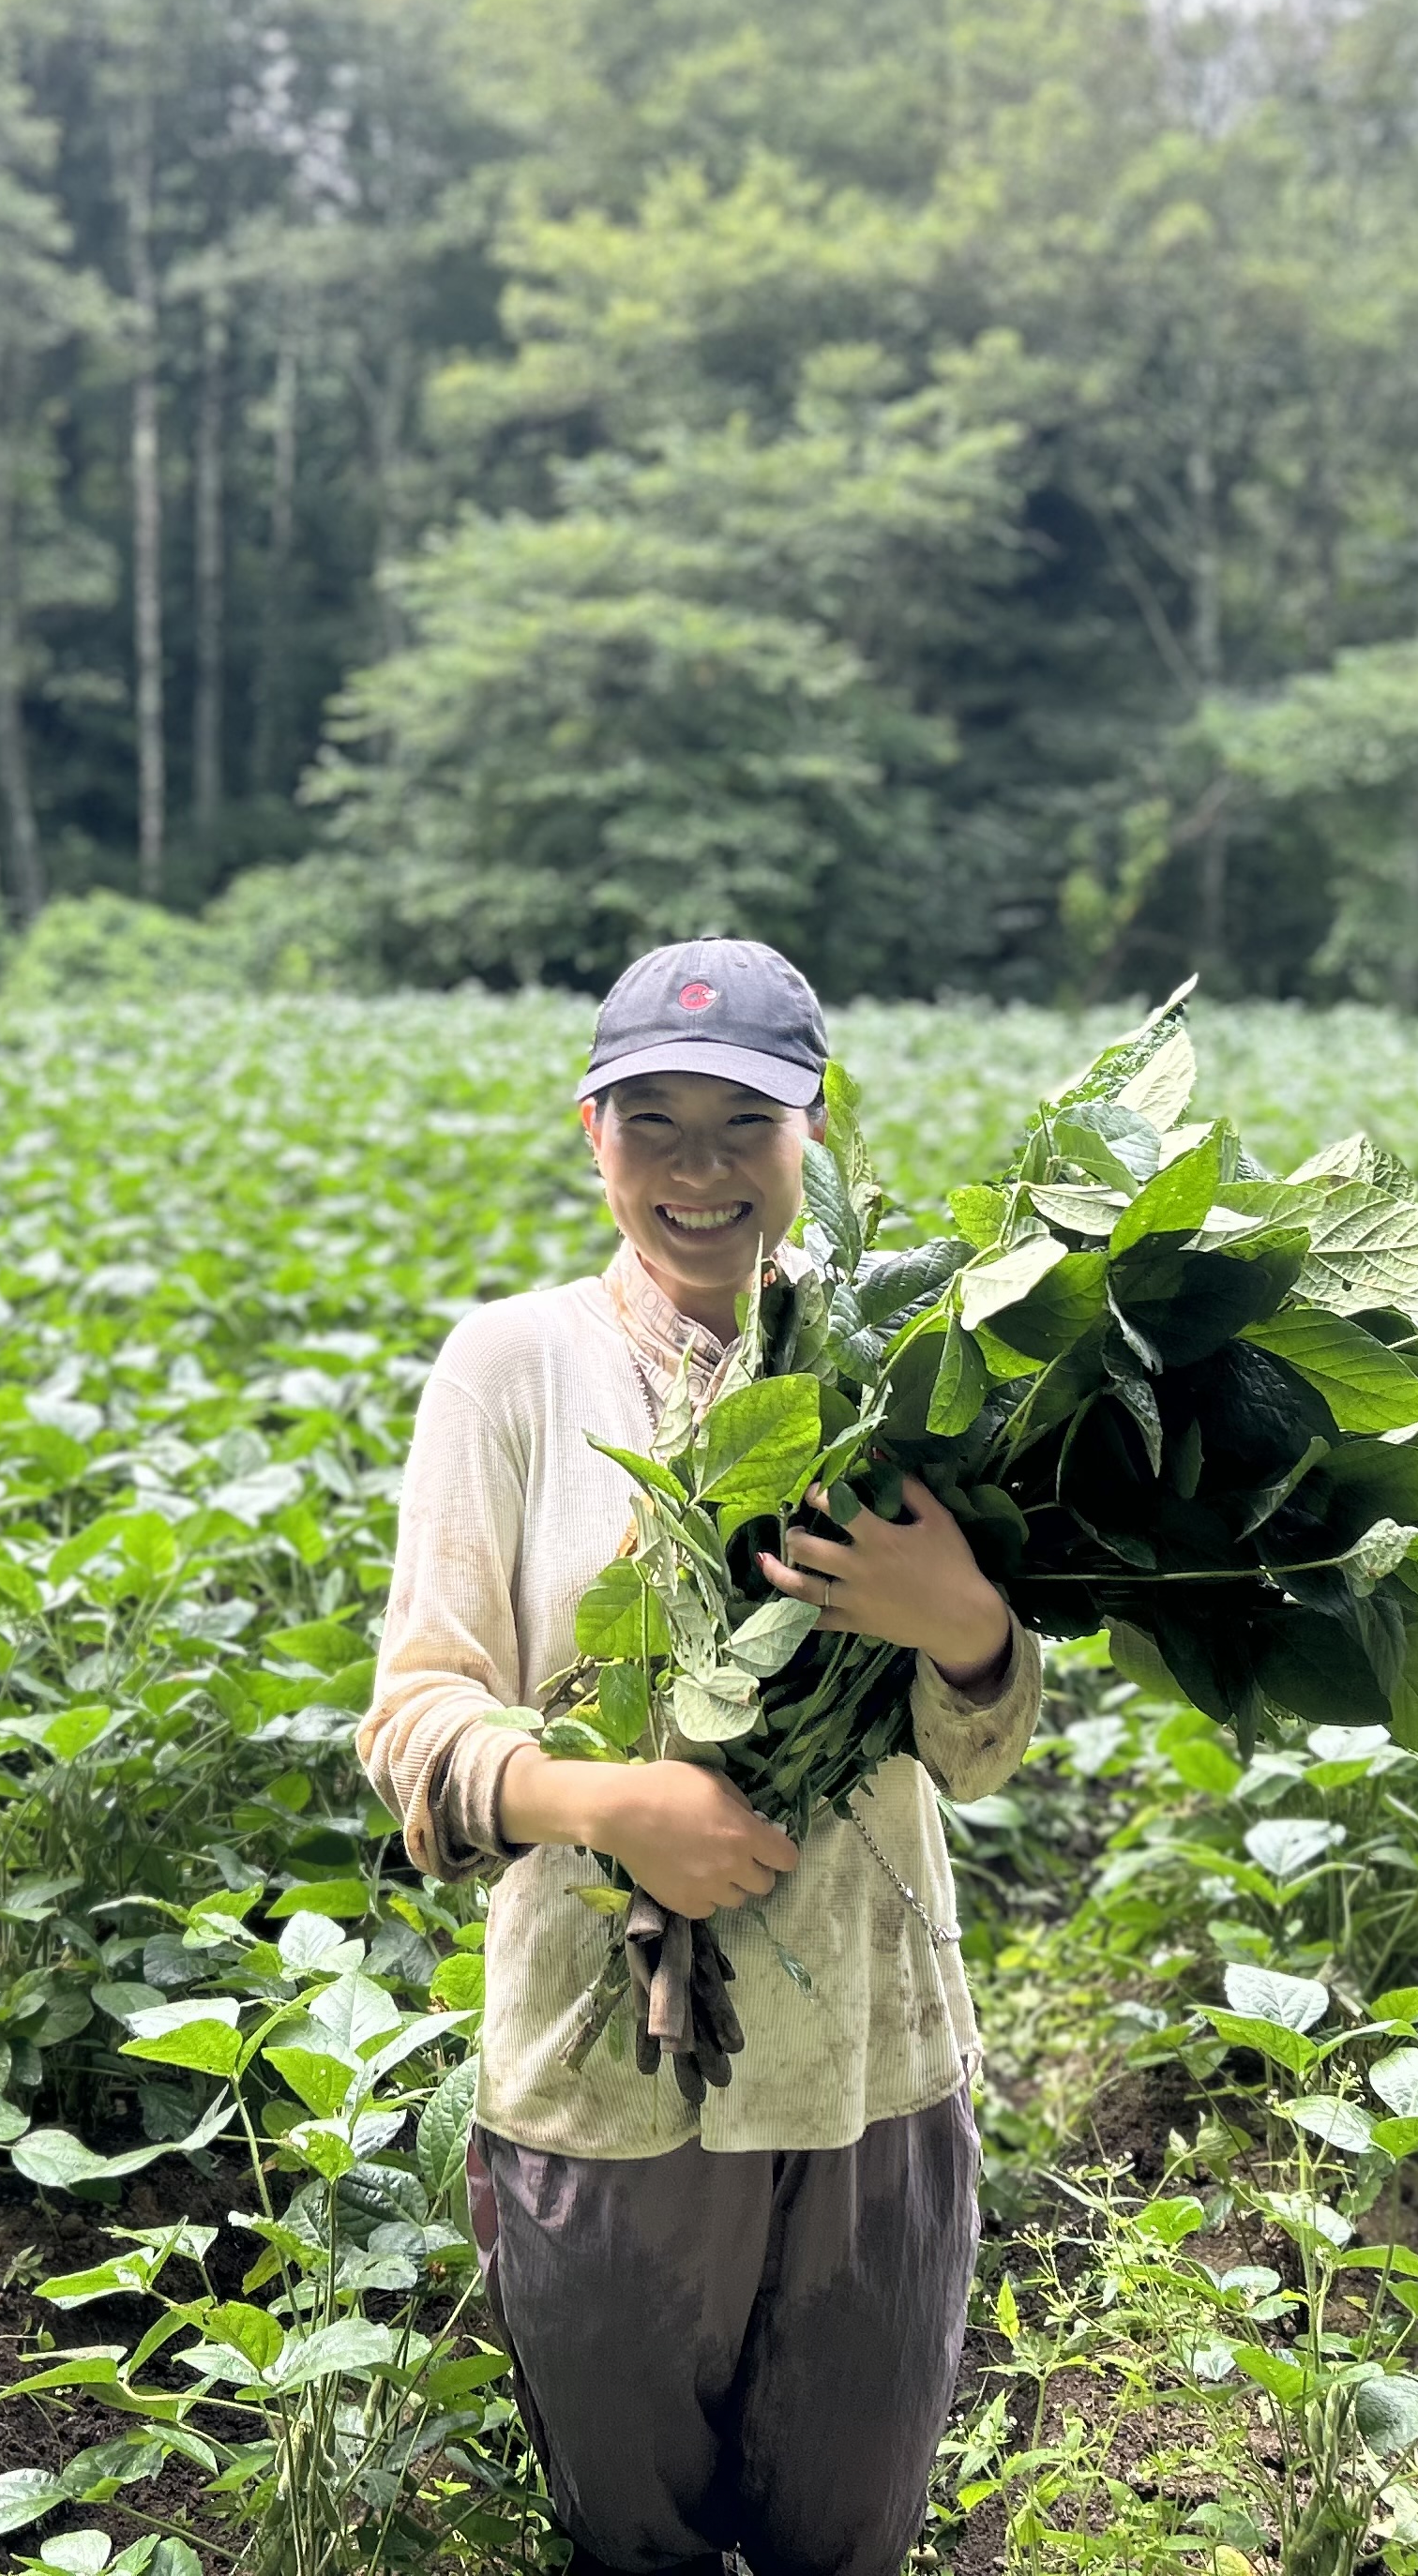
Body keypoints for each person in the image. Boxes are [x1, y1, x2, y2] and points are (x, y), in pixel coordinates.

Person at [356, 937, 1042, 2576]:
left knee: (847, 2539)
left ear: (815, 1132)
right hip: (599, 2080)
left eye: (745, 1123)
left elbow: (983, 1752)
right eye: (652, 1122)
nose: (699, 1170)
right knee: (634, 2542)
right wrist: (609, 1803)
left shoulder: (913, 1372)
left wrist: (963, 1618)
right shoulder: (514, 1368)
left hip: (868, 2063)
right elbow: (416, 1718)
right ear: (592, 1134)